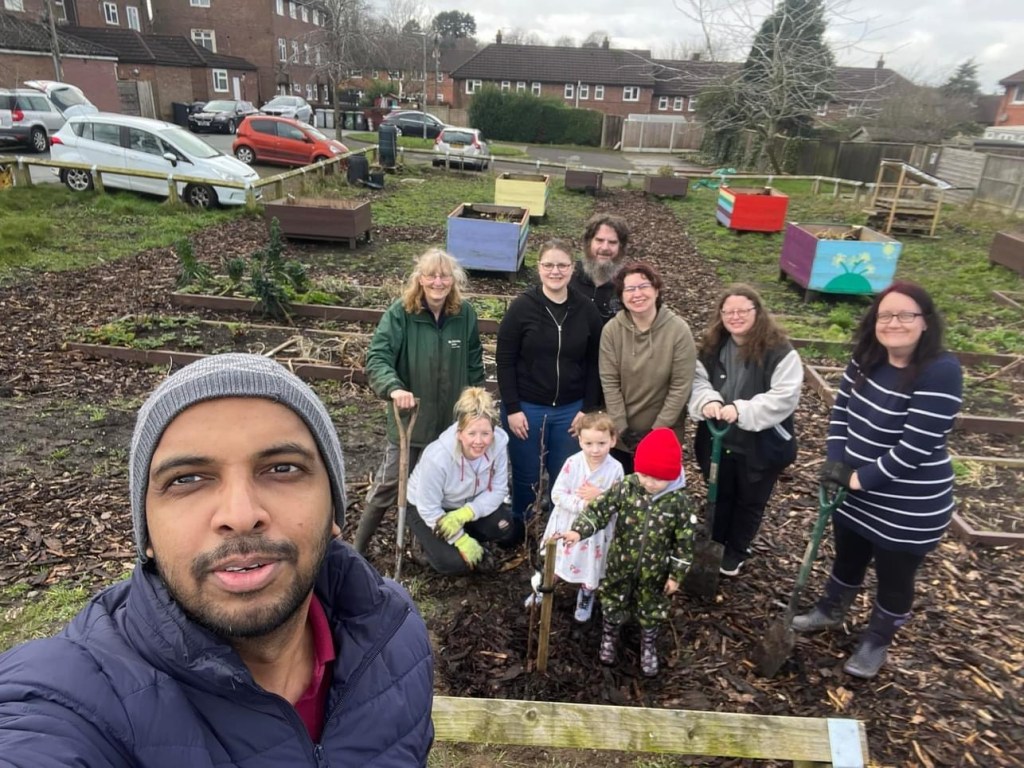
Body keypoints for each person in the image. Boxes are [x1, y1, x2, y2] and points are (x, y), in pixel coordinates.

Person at [0, 354, 434, 766]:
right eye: (187, 479)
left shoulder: (391, 638)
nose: (241, 515)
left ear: (334, 512)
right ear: (146, 534)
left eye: (282, 468)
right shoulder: (73, 701)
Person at [792, 282, 963, 680]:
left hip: (908, 505)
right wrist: (836, 465)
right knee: (848, 556)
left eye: (906, 315)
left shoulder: (941, 371)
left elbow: (915, 447)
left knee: (894, 576)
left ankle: (877, 640)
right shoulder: (866, 357)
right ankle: (831, 610)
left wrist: (857, 480)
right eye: (886, 315)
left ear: (925, 322)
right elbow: (842, 414)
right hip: (855, 490)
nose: (894, 323)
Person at [355, 248, 484, 554]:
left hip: (449, 426)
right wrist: (394, 388)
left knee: (435, 489)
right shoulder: (401, 313)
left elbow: (474, 363)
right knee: (389, 485)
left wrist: (476, 409)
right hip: (410, 421)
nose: (438, 282)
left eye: (444, 276)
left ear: (453, 280)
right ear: (420, 279)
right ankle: (356, 549)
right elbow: (377, 357)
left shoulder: (463, 315)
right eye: (431, 275)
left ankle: (422, 548)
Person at [558, 428, 697, 678]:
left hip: (655, 571)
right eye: (644, 475)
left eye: (657, 478)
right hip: (621, 562)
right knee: (613, 598)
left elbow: (684, 543)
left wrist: (676, 575)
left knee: (651, 607)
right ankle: (609, 636)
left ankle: (648, 644)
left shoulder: (679, 503)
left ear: (672, 475)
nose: (649, 483)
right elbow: (599, 509)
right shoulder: (628, 487)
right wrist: (578, 532)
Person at [687, 284, 803, 576]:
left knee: (750, 500)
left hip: (761, 444)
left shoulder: (779, 351)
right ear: (721, 315)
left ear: (758, 312)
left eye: (743, 310)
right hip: (718, 437)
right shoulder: (712, 346)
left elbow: (784, 396)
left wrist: (741, 410)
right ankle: (715, 540)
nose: (735, 316)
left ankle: (736, 549)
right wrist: (709, 400)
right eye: (729, 311)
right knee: (719, 491)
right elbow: (698, 380)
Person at [496, 239, 604, 535]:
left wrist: (587, 409)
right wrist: (513, 408)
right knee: (525, 473)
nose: (555, 271)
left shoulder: (586, 310)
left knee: (564, 475)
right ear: (539, 268)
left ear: (572, 269)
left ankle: (558, 532)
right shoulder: (522, 308)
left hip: (570, 410)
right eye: (548, 265)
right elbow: (504, 360)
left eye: (562, 265)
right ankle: (521, 525)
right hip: (527, 409)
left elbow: (596, 363)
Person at [405, 386, 518, 575]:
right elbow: (428, 506)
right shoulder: (437, 457)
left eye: (485, 433)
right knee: (453, 564)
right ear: (459, 433)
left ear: (493, 431)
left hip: (465, 505)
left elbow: (498, 490)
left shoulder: (498, 445)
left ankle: (464, 535)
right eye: (472, 434)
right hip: (426, 509)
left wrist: (467, 513)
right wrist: (460, 540)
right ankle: (423, 540)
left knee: (504, 527)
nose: (479, 441)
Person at [600, 261, 696, 473]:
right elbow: (609, 382)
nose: (637, 294)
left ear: (656, 289)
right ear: (622, 295)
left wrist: (656, 431)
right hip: (622, 436)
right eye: (630, 289)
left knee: (655, 497)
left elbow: (680, 386)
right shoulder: (612, 331)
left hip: (663, 433)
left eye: (644, 286)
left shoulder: (678, 330)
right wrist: (622, 429)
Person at [528, 411, 624, 622]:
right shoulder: (573, 463)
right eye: (589, 443)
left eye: (601, 443)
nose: (595, 449)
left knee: (590, 563)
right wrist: (584, 504)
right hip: (567, 524)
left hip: (596, 531)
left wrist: (599, 497)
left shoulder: (616, 469)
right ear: (580, 440)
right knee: (557, 559)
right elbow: (557, 494)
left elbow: (618, 501)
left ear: (613, 440)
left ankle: (586, 593)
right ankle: (543, 589)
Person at [570, 213, 630, 324]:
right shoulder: (568, 277)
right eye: (599, 240)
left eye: (612, 242)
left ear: (621, 247)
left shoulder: (629, 285)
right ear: (588, 243)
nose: (605, 248)